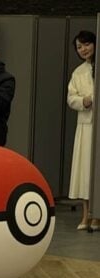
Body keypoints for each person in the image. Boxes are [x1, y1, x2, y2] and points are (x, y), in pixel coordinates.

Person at [67, 30, 99, 231]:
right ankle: (86, 215)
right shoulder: (78, 72)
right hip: (86, 125)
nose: (84, 49)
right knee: (85, 171)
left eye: (87, 44)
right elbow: (71, 98)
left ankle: (97, 216)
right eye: (79, 47)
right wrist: (84, 101)